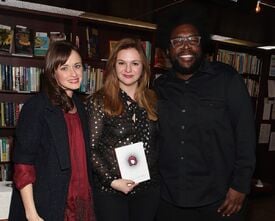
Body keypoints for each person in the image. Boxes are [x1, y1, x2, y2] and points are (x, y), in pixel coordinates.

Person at [154, 15, 256, 221]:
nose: (185, 46)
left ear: (203, 46)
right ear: (167, 50)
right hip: (169, 199)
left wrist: (240, 186)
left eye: (192, 40)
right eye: (177, 41)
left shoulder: (228, 79)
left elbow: (246, 136)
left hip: (219, 198)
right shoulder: (159, 86)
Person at [8, 40, 96, 221]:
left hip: (81, 199)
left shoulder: (81, 106)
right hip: (47, 203)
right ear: (52, 72)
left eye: (77, 66)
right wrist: (31, 213)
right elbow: (23, 165)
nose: (74, 73)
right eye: (64, 68)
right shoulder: (37, 107)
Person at [86, 38, 159, 221]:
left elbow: (158, 143)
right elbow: (90, 148)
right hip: (111, 191)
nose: (128, 70)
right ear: (113, 66)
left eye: (134, 63)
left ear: (143, 68)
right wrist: (112, 180)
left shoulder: (153, 100)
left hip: (148, 191)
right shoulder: (98, 101)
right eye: (122, 63)